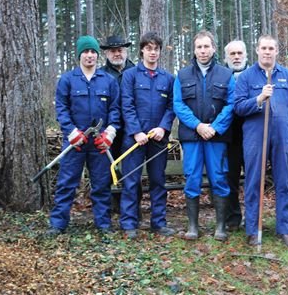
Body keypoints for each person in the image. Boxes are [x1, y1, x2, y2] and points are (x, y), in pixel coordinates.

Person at [46, 35, 121, 235]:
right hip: (75, 142)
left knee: (101, 184)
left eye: (93, 52)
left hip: (99, 143)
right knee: (66, 183)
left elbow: (115, 110)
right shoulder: (67, 80)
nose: (90, 56)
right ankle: (58, 224)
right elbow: (62, 109)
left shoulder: (109, 81)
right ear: (79, 55)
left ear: (98, 55)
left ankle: (103, 224)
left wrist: (109, 134)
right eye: (86, 52)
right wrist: (71, 132)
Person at [234, 35, 288, 248]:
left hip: (283, 136)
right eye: (263, 48)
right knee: (254, 182)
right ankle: (253, 230)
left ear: (276, 51)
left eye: (271, 48)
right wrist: (258, 99)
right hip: (256, 136)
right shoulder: (246, 77)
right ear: (257, 50)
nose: (267, 52)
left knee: (284, 183)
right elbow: (238, 107)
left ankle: (285, 230)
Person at [173, 30, 235, 241]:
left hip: (216, 137)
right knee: (192, 177)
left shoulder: (226, 75)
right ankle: (193, 226)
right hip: (192, 136)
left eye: (206, 46)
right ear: (194, 49)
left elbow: (231, 104)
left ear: (214, 48)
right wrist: (198, 126)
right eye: (199, 47)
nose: (203, 51)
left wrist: (214, 127)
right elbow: (178, 105)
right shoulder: (182, 75)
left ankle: (220, 227)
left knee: (218, 176)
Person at [119, 32, 175, 238]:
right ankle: (128, 224)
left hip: (158, 139)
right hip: (134, 139)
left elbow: (171, 106)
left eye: (156, 49)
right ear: (142, 50)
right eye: (149, 48)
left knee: (158, 180)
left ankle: (158, 223)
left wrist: (163, 128)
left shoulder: (168, 78)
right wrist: (136, 131)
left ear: (160, 52)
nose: (152, 52)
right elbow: (127, 104)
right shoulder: (130, 75)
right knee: (131, 181)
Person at [99, 35, 137, 214]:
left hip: (133, 131)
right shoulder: (101, 75)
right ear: (106, 53)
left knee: (132, 172)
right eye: (112, 51)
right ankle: (110, 209)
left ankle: (134, 210)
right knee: (107, 170)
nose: (117, 54)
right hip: (109, 131)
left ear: (126, 51)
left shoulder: (137, 72)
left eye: (120, 50)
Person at [223, 40, 249, 231]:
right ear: (226, 57)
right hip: (228, 137)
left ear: (246, 55)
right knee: (230, 178)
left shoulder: (254, 75)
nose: (236, 57)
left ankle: (252, 218)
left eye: (239, 53)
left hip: (251, 136)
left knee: (253, 179)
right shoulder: (221, 76)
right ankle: (232, 219)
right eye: (232, 54)